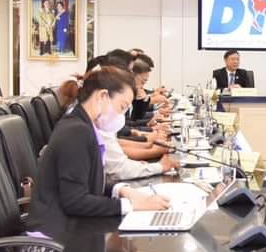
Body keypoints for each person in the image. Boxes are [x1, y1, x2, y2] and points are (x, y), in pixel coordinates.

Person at [27, 66, 170, 239]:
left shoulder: (84, 125)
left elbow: (87, 183)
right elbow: (75, 201)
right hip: (52, 243)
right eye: (122, 107)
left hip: (70, 229)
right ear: (102, 96)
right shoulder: (76, 132)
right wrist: (130, 205)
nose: (121, 116)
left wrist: (122, 190)